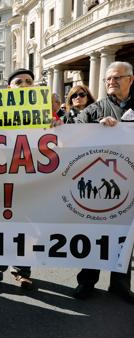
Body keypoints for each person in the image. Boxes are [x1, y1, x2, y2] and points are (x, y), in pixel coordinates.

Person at [0, 68, 61, 294]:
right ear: (9, 88)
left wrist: (58, 127)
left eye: (28, 81)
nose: (24, 84)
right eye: (18, 81)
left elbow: (60, 145)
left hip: (32, 183)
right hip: (2, 182)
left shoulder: (46, 114)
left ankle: (22, 271)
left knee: (26, 231)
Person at [74, 61, 134, 303]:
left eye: (117, 78)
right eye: (108, 79)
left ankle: (120, 284)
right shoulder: (95, 109)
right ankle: (87, 281)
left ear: (131, 79)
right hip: (99, 185)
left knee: (125, 236)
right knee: (95, 233)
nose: (111, 82)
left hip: (129, 183)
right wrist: (95, 129)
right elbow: (74, 130)